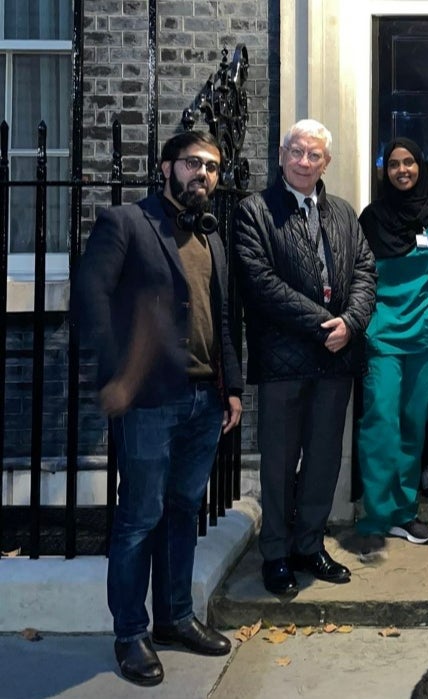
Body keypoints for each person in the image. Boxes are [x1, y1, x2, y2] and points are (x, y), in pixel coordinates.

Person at [75, 130, 243, 687]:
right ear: (166, 166)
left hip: (203, 398)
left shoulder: (212, 238)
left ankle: (174, 618)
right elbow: (90, 300)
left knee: (182, 515)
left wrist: (233, 388)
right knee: (138, 518)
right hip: (148, 400)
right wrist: (117, 376)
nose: (204, 174)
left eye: (213, 167)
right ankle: (131, 633)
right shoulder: (126, 223)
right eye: (193, 163)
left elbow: (223, 320)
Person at [232, 119, 376, 594]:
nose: (304, 162)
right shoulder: (255, 210)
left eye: (314, 155)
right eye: (296, 152)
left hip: (336, 359)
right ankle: (275, 552)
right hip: (283, 360)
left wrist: (351, 323)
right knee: (277, 462)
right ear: (281, 154)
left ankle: (309, 546)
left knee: (322, 460)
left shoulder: (342, 212)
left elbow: (364, 273)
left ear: (326, 163)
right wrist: (324, 326)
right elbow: (261, 284)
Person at [355, 138, 428, 546]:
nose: (402, 170)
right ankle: (380, 511)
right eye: (394, 164)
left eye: (409, 163)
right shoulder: (370, 218)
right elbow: (358, 273)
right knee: (381, 420)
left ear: (420, 167)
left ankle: (406, 510)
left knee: (414, 424)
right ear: (386, 171)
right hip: (382, 334)